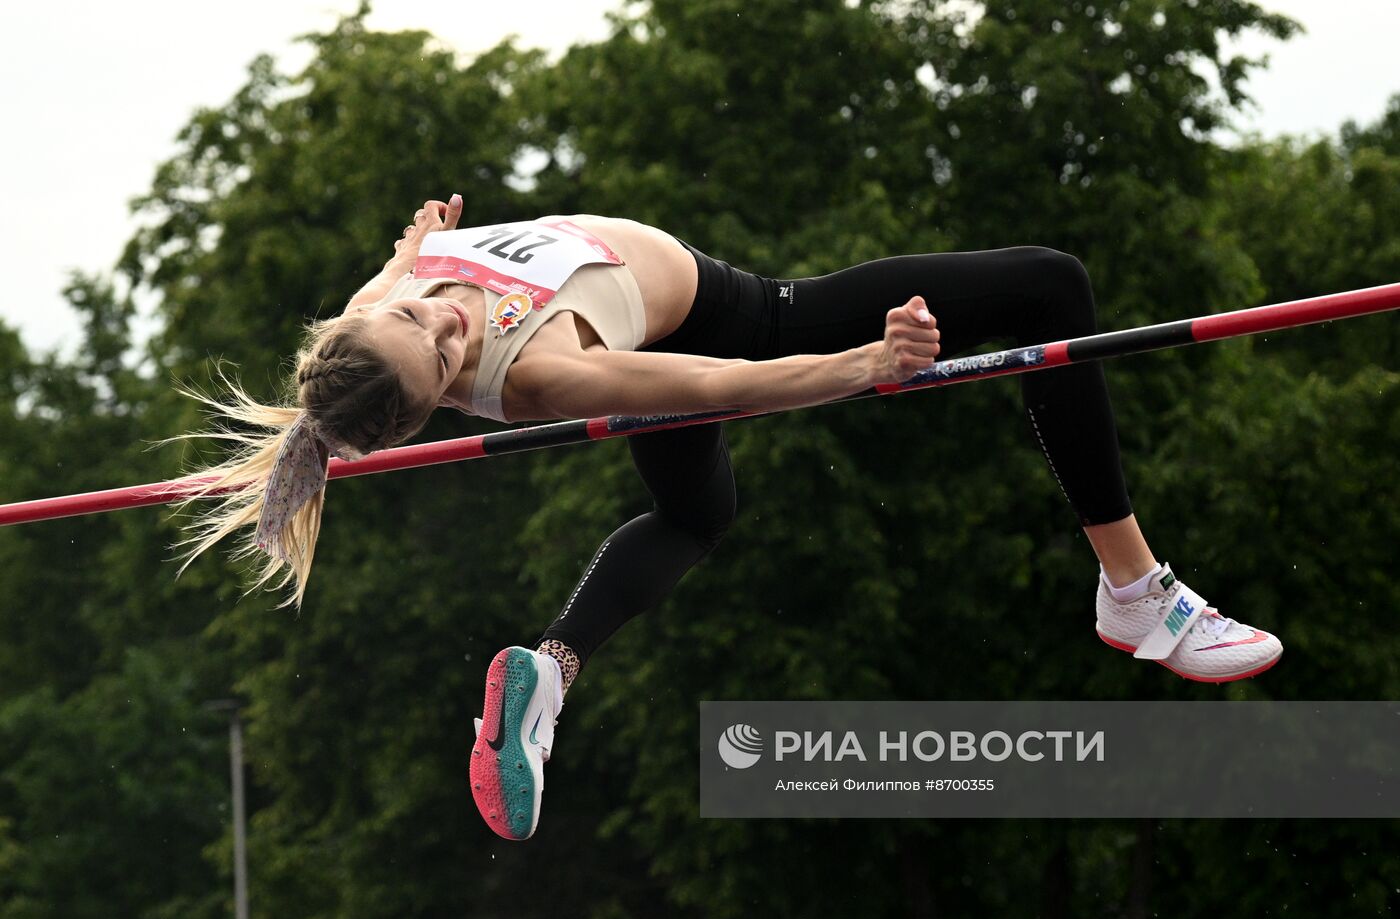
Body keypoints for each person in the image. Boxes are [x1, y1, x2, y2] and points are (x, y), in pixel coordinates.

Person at [171, 195, 1282, 842]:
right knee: (1049, 286)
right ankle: (1135, 592)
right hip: (742, 322)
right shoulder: (546, 373)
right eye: (446, 350)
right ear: (438, 394)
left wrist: (410, 247)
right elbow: (719, 388)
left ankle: (551, 670)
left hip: (688, 324)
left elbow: (390, 293)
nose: (450, 319)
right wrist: (866, 360)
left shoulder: (377, 312)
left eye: (430, 313)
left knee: (698, 515)